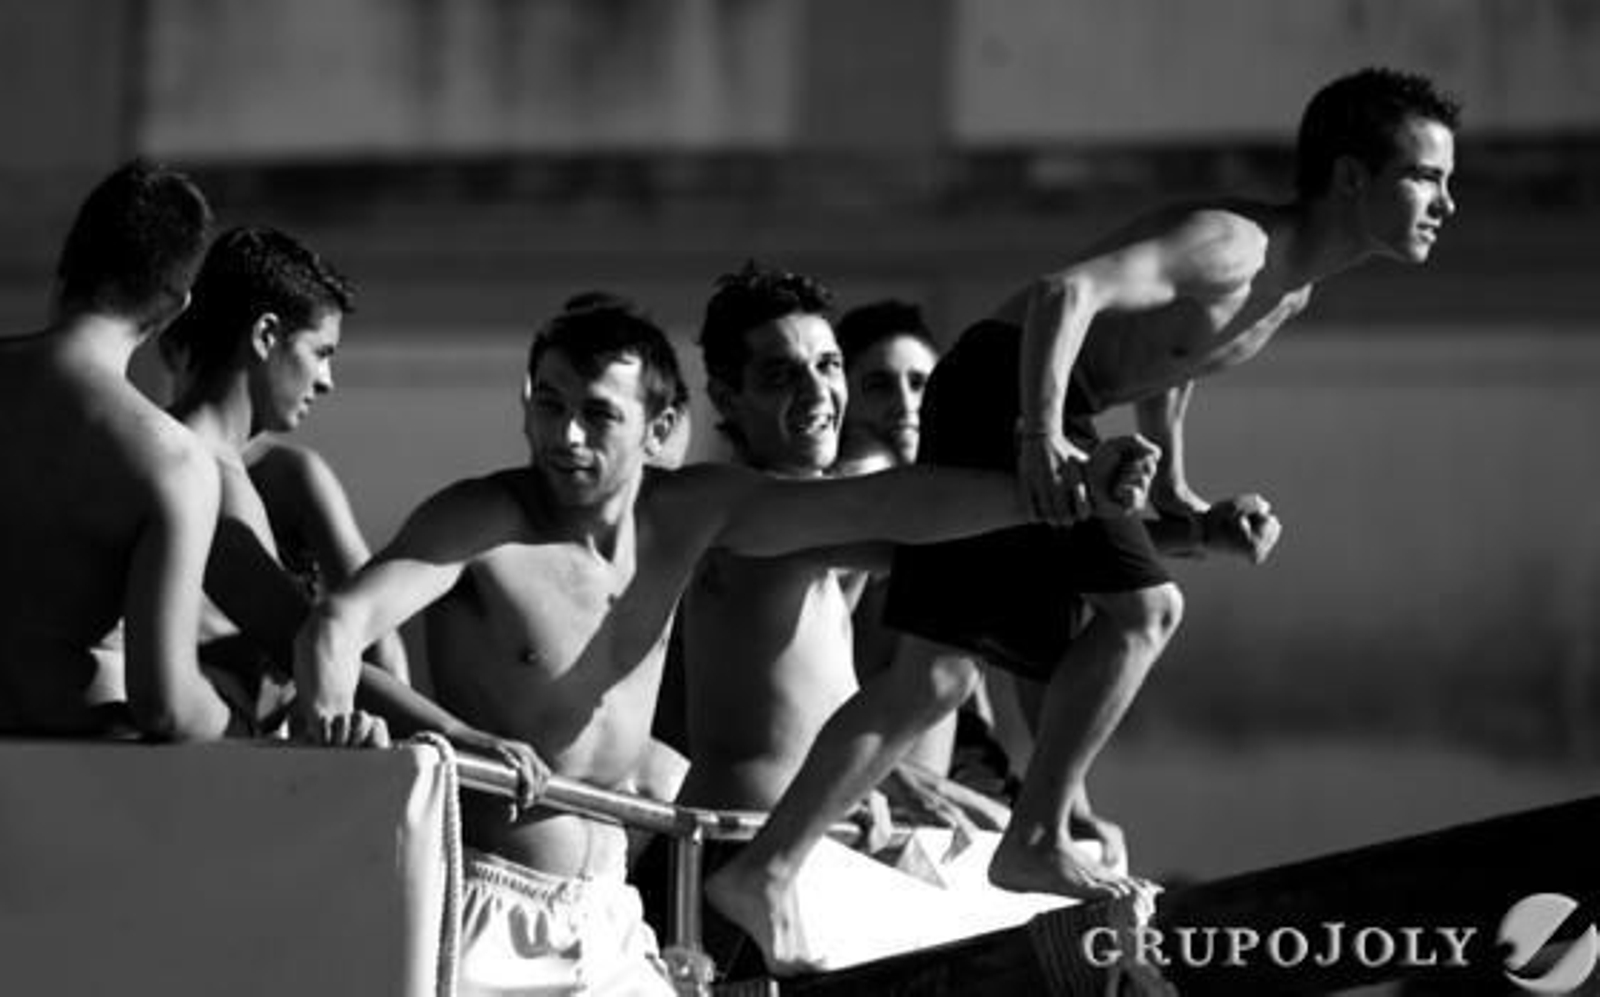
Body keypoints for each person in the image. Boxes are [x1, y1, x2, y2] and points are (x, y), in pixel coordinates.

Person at [291, 300, 1156, 994]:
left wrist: (1073, 492)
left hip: (610, 916)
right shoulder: (482, 517)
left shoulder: (691, 512)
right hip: (488, 909)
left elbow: (887, 508)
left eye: (597, 415)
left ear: (660, 423)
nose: (566, 439)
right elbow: (338, 630)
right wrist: (449, 737)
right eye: (548, 406)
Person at [879, 66, 1455, 904]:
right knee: (1146, 610)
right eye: (1425, 177)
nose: (1446, 203)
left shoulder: (1286, 291)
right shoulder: (1233, 245)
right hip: (1011, 384)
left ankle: (771, 864)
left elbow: (1169, 357)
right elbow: (1064, 294)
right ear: (1351, 177)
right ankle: (1035, 837)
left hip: (1042, 399)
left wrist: (1179, 487)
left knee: (937, 672)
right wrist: (1038, 434)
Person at [0, 160, 243, 740]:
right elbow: (167, 707)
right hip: (62, 776)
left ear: (69, 265)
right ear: (177, 306)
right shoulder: (172, 462)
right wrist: (237, 715)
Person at [159, 226, 399, 736]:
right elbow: (301, 642)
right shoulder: (198, 470)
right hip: (193, 768)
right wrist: (454, 734)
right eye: (322, 352)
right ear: (266, 336)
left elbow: (370, 628)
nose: (328, 381)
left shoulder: (254, 470)